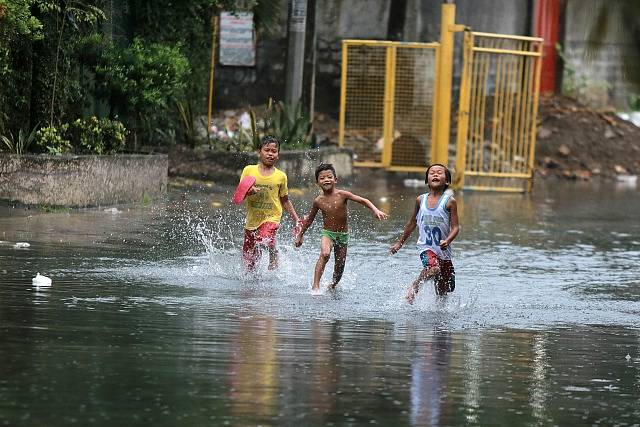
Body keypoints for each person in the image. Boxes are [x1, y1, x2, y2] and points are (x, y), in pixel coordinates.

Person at [295, 163, 388, 294]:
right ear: (317, 182)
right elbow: (310, 219)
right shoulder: (318, 201)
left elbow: (363, 200)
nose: (326, 180)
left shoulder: (342, 195)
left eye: (329, 177)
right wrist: (300, 234)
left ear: (335, 179)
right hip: (328, 234)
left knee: (339, 268)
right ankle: (315, 286)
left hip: (343, 235)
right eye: (322, 178)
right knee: (325, 254)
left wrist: (375, 210)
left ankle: (332, 285)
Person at [390, 164, 460, 303]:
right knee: (433, 268)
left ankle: (438, 321)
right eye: (431, 173)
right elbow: (411, 223)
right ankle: (414, 287)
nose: (435, 175)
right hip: (425, 247)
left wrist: (448, 241)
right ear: (427, 180)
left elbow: (456, 227)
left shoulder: (450, 202)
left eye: (439, 173)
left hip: (443, 251)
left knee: (442, 293)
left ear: (446, 181)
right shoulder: (420, 200)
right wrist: (400, 243)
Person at [240, 135, 301, 271]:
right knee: (250, 263)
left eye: (274, 151)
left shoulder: (281, 176)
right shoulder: (249, 170)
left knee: (264, 238)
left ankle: (274, 254)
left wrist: (296, 219)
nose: (270, 154)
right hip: (252, 220)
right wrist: (250, 190)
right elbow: (240, 193)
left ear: (278, 155)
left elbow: (285, 200)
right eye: (267, 150)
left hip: (272, 217)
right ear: (259, 152)